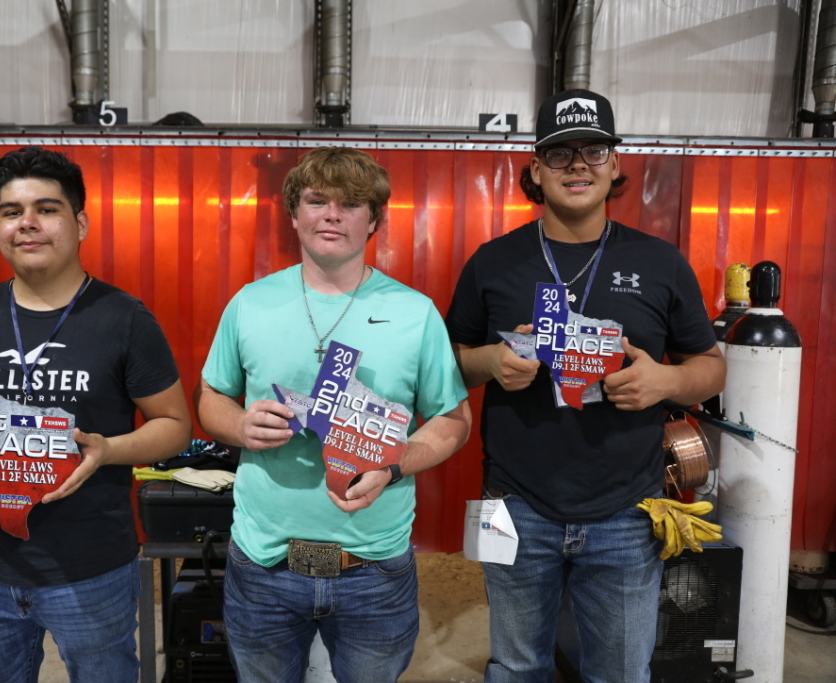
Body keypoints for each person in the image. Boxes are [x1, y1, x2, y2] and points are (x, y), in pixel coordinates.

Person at [445, 89, 726, 683]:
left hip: (627, 509)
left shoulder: (660, 262)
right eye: (561, 152)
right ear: (536, 171)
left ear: (616, 165)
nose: (578, 164)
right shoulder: (493, 262)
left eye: (594, 150)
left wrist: (665, 381)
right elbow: (448, 361)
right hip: (514, 505)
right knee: (517, 667)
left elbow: (710, 365)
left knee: (622, 673)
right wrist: (490, 361)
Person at [0, 146, 191, 682]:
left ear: (79, 222)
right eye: (12, 212)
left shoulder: (124, 319)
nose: (27, 224)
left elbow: (175, 427)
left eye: (47, 209)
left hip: (91, 570)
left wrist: (110, 449)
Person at [194, 146, 471, 683]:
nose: (332, 215)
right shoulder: (250, 304)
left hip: (374, 567)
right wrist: (239, 425)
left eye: (351, 204)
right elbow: (211, 400)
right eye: (318, 200)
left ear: (374, 221)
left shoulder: (415, 314)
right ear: (293, 213)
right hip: (264, 563)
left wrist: (396, 463)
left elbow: (453, 420)